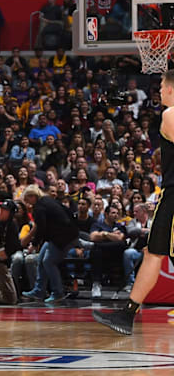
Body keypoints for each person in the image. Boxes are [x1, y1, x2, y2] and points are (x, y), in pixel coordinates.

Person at [93, 70, 174, 334]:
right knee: (155, 253)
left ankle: (127, 315)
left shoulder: (170, 114)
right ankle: (127, 313)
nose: (159, 90)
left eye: (162, 85)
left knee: (154, 254)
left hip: (173, 195)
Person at [21, 185, 78, 303]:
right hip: (63, 234)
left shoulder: (39, 207)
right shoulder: (48, 200)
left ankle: (57, 292)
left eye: (27, 200)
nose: (27, 204)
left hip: (63, 237)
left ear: (33, 196)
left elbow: (41, 227)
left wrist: (34, 244)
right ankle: (39, 290)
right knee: (41, 258)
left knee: (48, 261)